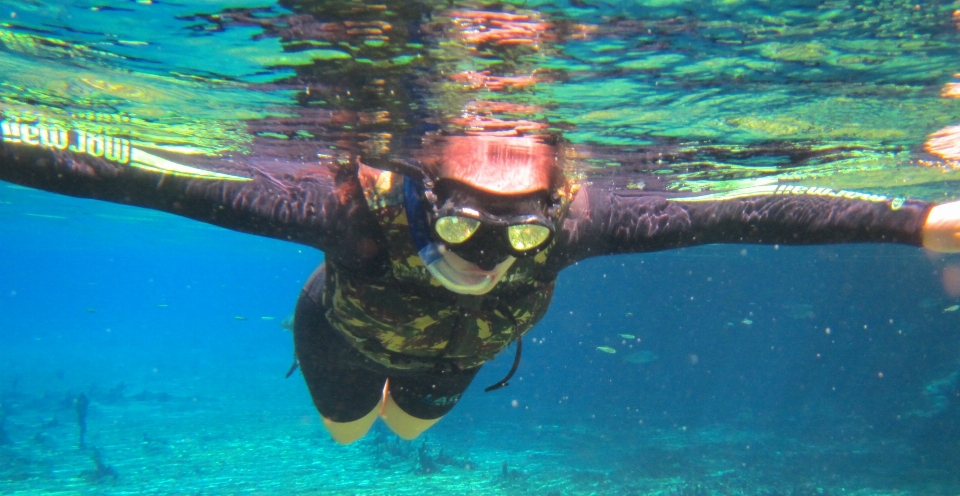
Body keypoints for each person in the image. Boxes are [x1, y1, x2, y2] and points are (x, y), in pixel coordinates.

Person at [3, 115, 960, 443]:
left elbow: (753, 211)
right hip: (337, 333)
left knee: (409, 427)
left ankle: (406, 409)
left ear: (560, 201)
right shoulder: (348, 215)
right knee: (346, 433)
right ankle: (348, 404)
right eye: (463, 217)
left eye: (523, 228)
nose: (491, 250)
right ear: (417, 190)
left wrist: (920, 220)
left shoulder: (581, 226)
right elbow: (136, 175)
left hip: (459, 361)